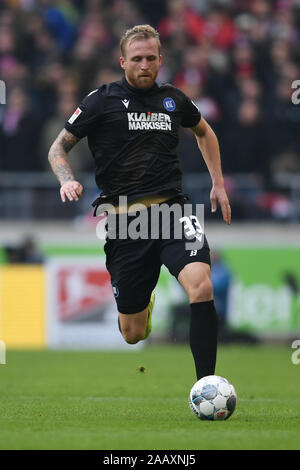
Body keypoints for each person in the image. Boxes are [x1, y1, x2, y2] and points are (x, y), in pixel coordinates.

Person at [48, 24, 231, 381]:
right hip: (125, 222)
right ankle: (142, 305)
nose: (145, 65)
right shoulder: (100, 101)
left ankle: (207, 384)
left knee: (202, 284)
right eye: (137, 59)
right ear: (122, 61)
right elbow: (58, 147)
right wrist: (66, 179)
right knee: (132, 333)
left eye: (151, 58)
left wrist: (218, 183)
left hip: (173, 210)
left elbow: (204, 131)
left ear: (160, 59)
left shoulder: (173, 99)